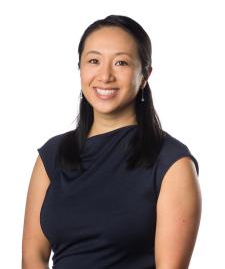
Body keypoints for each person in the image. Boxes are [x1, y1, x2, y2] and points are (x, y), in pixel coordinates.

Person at [22, 15, 202, 269]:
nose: (105, 76)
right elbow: (33, 258)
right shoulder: (53, 155)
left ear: (145, 75)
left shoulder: (172, 162)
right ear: (81, 68)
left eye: (121, 63)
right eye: (94, 61)